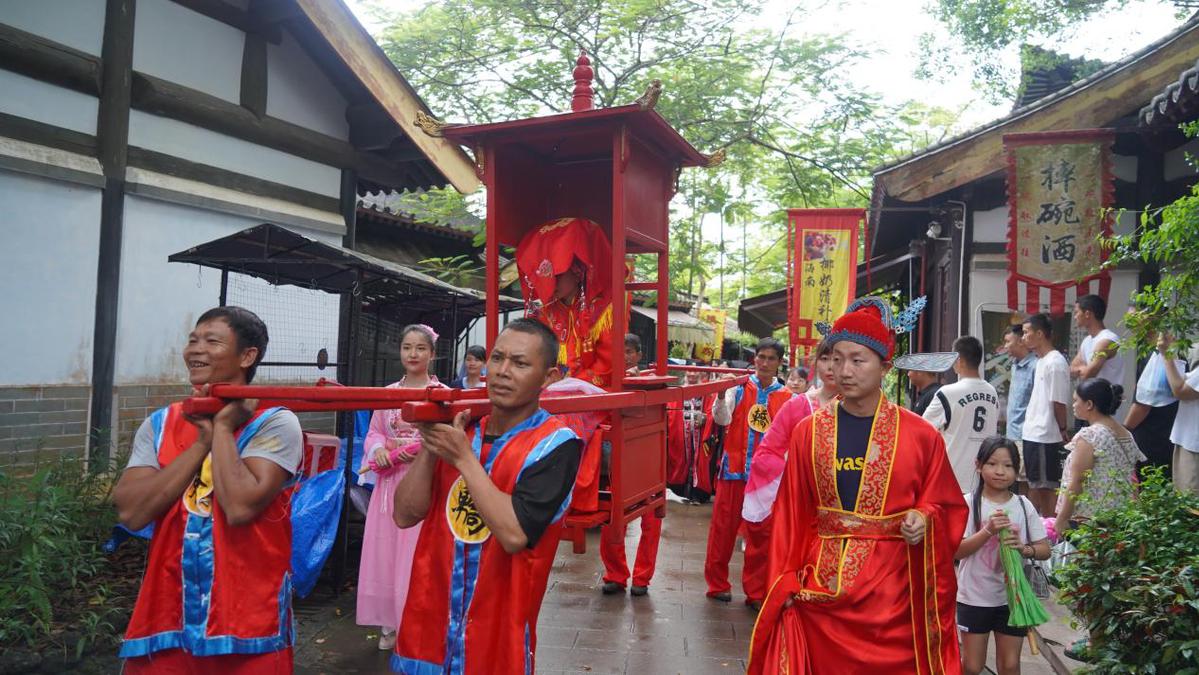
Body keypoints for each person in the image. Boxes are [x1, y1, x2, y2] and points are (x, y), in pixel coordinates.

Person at [747, 296, 967, 674]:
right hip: (822, 589)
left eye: (857, 360)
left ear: (885, 366)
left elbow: (946, 505)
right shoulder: (808, 433)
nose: (842, 370)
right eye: (836, 358)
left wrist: (923, 516)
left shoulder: (921, 436)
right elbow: (792, 514)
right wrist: (782, 581)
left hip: (894, 596)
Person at [114, 307, 302, 674]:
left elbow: (240, 508)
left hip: (249, 621)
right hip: (166, 618)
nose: (196, 350)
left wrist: (222, 430)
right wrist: (201, 443)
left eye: (212, 341)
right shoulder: (162, 422)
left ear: (247, 356)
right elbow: (132, 513)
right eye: (193, 340)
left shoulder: (276, 422)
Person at [391, 318, 582, 674]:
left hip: (496, 635)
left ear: (549, 377)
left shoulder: (556, 446)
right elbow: (404, 515)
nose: (503, 372)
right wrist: (432, 447)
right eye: (497, 358)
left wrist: (463, 458)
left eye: (521, 363)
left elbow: (513, 535)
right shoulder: (463, 429)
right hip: (427, 626)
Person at [357, 325, 446, 651]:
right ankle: (388, 622)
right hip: (388, 482)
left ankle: (416, 620)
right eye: (407, 347)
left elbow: (437, 438)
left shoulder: (441, 393)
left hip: (423, 480)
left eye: (420, 348)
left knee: (417, 549)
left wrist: (400, 453)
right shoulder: (388, 391)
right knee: (386, 550)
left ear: (432, 354)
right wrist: (377, 449)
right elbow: (374, 432)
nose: (413, 354)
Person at [706, 337, 794, 608]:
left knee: (760, 536)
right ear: (754, 358)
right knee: (723, 531)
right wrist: (720, 396)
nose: (764, 363)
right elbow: (722, 419)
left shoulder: (789, 398)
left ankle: (755, 592)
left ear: (780, 363)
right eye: (760, 357)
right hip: (733, 469)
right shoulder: (738, 387)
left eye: (770, 358)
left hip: (765, 480)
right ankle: (717, 584)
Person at [956, 436, 1051, 675]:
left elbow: (1044, 549)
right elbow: (956, 550)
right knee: (972, 666)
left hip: (1012, 598)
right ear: (979, 465)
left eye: (1008, 466)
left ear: (1016, 470)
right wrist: (987, 531)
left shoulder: (1023, 504)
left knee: (1009, 665)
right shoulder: (968, 504)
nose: (1000, 471)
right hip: (973, 598)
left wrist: (1024, 548)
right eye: (992, 464)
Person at [599, 334, 663, 596]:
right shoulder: (603, 380)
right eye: (619, 351)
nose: (624, 357)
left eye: (628, 352)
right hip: (616, 456)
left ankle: (642, 578)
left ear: (638, 354)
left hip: (646, 457)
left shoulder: (649, 380)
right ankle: (615, 574)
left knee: (651, 519)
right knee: (612, 517)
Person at [516, 217, 615, 387]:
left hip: (592, 395)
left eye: (557, 276)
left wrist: (571, 386)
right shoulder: (546, 312)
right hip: (551, 393)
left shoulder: (604, 307)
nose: (549, 285)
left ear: (577, 271)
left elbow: (607, 365)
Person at [1055, 379, 1145, 536]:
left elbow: (1077, 481)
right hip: (1120, 516)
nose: (1074, 405)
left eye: (1076, 400)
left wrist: (1062, 519)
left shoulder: (1090, 435)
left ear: (1089, 404)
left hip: (1089, 519)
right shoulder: (1126, 434)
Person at [923, 336, 1000, 493]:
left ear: (960, 360)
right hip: (984, 480)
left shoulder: (947, 393)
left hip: (953, 477)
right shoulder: (992, 392)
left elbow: (922, 430)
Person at [1020, 313, 1071, 517]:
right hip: (1033, 432)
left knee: (1047, 487)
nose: (1023, 337)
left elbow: (1058, 401)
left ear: (1040, 334)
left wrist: (1062, 429)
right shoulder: (1041, 361)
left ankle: (1052, 533)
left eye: (1026, 332)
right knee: (1034, 485)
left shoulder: (1055, 362)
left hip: (1046, 434)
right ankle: (1035, 529)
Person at [1124, 323, 1184, 479]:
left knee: (1149, 483)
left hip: (1151, 433)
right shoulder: (1173, 351)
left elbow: (1144, 403)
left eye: (1134, 312)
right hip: (1168, 429)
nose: (1129, 320)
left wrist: (1125, 430)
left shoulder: (1157, 355)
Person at [666, 368, 716, 503]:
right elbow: (669, 410)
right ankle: (679, 490)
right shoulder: (678, 391)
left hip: (701, 437)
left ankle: (698, 493)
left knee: (700, 464)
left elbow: (714, 411)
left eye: (695, 371)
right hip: (680, 435)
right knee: (679, 460)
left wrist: (706, 418)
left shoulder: (709, 392)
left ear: (701, 373)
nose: (692, 374)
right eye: (689, 371)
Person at [1159, 334, 1199, 494]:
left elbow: (1181, 390)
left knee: (1190, 503)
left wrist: (1166, 354)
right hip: (1188, 439)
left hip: (1194, 445)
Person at [1069, 294, 1125, 388]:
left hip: (1106, 400)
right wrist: (1083, 369)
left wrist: (1081, 369)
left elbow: (1088, 374)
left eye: (1076, 312)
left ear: (1087, 314)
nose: (1075, 317)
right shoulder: (1087, 340)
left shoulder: (1107, 340)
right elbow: (1071, 369)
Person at [1003, 324, 1037, 449]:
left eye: (1008, 342)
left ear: (1021, 341)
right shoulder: (1014, 365)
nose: (1005, 346)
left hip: (1026, 437)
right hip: (1011, 435)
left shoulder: (1036, 366)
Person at [804, 341, 840, 410]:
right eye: (825, 358)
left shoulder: (863, 406)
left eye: (837, 359)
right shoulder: (797, 405)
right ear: (815, 362)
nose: (831, 367)